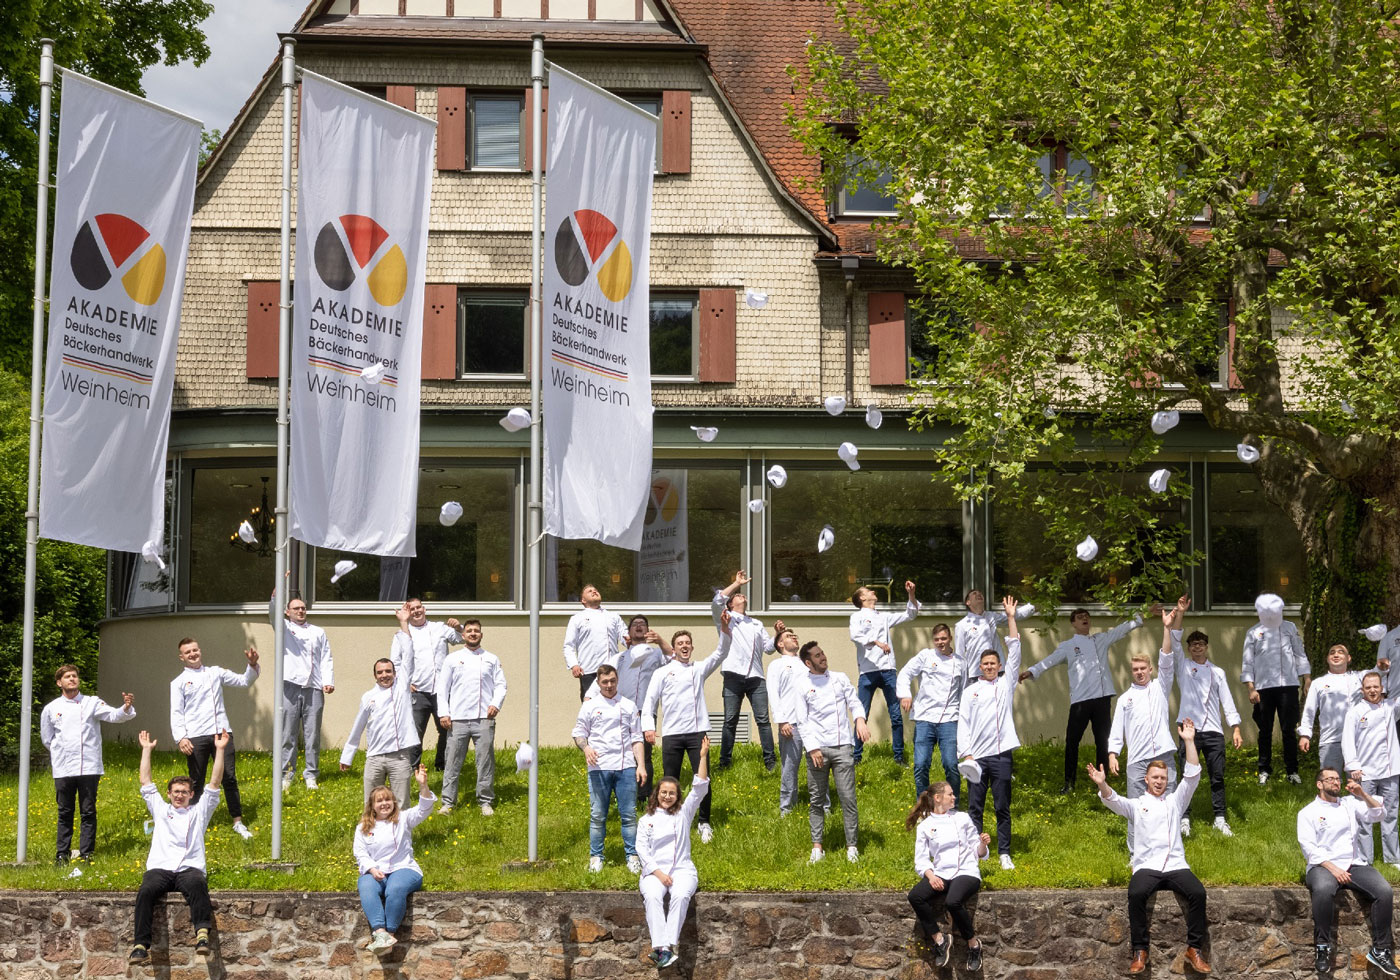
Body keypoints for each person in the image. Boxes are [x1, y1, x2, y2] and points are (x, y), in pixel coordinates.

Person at [1088, 719, 1212, 976]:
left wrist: (1189, 741)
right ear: (1146, 780)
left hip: (1176, 865)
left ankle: (1194, 949)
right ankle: (1140, 951)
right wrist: (1101, 782)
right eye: (1155, 777)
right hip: (1147, 866)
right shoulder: (1137, 804)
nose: (1159, 781)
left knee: (1198, 893)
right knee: (1135, 894)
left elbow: (1192, 775)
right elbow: (1113, 799)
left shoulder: (1175, 801)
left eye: (1163, 778)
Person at [1020, 604, 1155, 793]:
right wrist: (1032, 671)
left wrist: (1144, 615)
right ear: (1073, 623)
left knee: (1103, 741)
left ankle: (1102, 782)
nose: (1085, 619)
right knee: (1072, 742)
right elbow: (1049, 660)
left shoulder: (1101, 639)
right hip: (1080, 702)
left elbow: (1122, 629)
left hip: (1102, 699)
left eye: (1087, 616)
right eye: (1080, 617)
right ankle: (1069, 783)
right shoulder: (1068, 646)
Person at [129, 728, 225, 964]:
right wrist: (147, 751)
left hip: (188, 867)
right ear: (169, 794)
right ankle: (140, 944)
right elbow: (145, 781)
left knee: (197, 885)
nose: (179, 796)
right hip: (161, 868)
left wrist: (220, 750)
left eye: (184, 792)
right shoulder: (161, 810)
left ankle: (202, 935)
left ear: (191, 794)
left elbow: (214, 782)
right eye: (175, 792)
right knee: (146, 891)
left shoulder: (199, 812)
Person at [1298, 767, 1398, 976]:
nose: (1335, 782)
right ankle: (1322, 947)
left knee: (1384, 891)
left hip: (1353, 863)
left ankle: (1380, 950)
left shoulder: (1349, 804)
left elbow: (1379, 813)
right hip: (1322, 865)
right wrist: (1333, 869)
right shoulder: (1308, 812)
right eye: (1330, 779)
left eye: (1337, 779)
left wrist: (1361, 794)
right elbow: (1309, 848)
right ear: (1319, 784)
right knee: (1324, 889)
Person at [40, 664, 135, 865]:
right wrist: (62, 753)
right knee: (65, 811)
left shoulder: (92, 703)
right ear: (59, 683)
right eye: (67, 677)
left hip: (89, 766)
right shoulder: (51, 708)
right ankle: (61, 854)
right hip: (63, 768)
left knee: (88, 811)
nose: (72, 679)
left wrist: (125, 707)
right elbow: (47, 739)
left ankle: (87, 853)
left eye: (74, 676)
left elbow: (114, 716)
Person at [642, 627, 727, 843]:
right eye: (679, 643)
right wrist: (648, 727)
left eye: (687, 642)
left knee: (703, 779)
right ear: (674, 648)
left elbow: (721, 652)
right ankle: (670, 821)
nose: (684, 646)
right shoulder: (662, 672)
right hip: (672, 734)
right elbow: (650, 701)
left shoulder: (698, 669)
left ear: (692, 647)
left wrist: (725, 630)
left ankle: (704, 822)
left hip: (697, 733)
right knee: (670, 781)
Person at [1108, 603, 1182, 852]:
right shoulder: (1125, 699)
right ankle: (1135, 852)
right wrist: (1112, 754)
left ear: (1150, 670)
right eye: (1135, 670)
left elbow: (1168, 660)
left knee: (1168, 804)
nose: (1140, 673)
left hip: (1162, 754)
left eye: (1143, 669)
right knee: (1137, 808)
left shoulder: (1160, 687)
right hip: (1137, 760)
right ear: (1132, 672)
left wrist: (1167, 629)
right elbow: (1117, 730)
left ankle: (1168, 848)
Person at [168, 637, 258, 838]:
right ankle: (192, 820)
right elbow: (176, 712)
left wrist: (252, 664)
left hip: (221, 734)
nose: (193, 654)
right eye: (188, 652)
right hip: (195, 737)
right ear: (181, 657)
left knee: (229, 777)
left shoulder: (215, 672)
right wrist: (181, 738)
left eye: (195, 650)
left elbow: (244, 681)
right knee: (196, 781)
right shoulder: (178, 683)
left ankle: (237, 821)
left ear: (200, 651)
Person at [1167, 605, 1243, 837]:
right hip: (1188, 729)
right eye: (1193, 645)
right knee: (1187, 775)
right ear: (1189, 649)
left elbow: (1227, 700)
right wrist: (1179, 613)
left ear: (1206, 647)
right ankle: (1184, 818)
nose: (1197, 647)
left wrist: (1236, 729)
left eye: (1201, 644)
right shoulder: (1183, 666)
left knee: (1217, 775)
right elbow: (1174, 637)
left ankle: (1220, 818)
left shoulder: (1217, 672)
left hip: (1213, 731)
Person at [958, 596, 1023, 870]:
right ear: (979, 667)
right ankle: (976, 852)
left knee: (1002, 807)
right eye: (985, 664)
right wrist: (967, 754)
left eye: (993, 663)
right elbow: (963, 724)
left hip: (1001, 755)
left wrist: (1010, 617)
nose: (989, 667)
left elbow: (1015, 650)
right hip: (977, 758)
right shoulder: (970, 691)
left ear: (999, 666)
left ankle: (1004, 852)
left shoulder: (1006, 684)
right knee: (975, 808)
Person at [636, 735, 711, 970]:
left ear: (677, 796)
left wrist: (702, 756)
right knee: (653, 896)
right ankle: (661, 948)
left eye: (672, 793)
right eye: (663, 792)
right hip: (653, 872)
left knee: (679, 895)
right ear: (657, 793)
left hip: (682, 870)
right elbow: (642, 850)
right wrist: (658, 874)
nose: (667, 796)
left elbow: (699, 787)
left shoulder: (683, 814)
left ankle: (667, 946)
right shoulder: (645, 820)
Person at [795, 640, 870, 863]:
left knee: (848, 798)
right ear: (808, 663)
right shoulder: (801, 684)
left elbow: (854, 702)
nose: (823, 657)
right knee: (817, 800)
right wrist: (813, 748)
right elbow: (802, 720)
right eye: (817, 656)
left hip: (842, 747)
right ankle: (817, 848)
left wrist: (860, 720)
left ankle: (852, 847)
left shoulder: (840, 678)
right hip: (817, 750)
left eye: (823, 652)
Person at [906, 782, 991, 971]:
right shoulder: (926, 826)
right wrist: (930, 876)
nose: (954, 797)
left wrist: (983, 844)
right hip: (942, 872)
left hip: (966, 871)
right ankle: (940, 940)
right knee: (915, 896)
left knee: (953, 902)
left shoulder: (962, 818)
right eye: (950, 794)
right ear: (938, 798)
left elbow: (978, 851)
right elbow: (921, 859)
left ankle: (973, 944)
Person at [355, 763, 436, 954]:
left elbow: (424, 809)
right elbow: (360, 852)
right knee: (365, 885)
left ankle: (389, 934)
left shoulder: (404, 818)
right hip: (376, 870)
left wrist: (423, 785)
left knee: (396, 888)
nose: (384, 804)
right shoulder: (363, 827)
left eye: (388, 800)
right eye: (379, 801)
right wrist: (372, 869)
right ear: (372, 806)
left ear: (394, 802)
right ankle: (380, 932)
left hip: (404, 868)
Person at [587, 614, 672, 797]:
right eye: (635, 624)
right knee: (623, 751)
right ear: (629, 632)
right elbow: (598, 681)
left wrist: (660, 641)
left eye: (643, 624)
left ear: (648, 631)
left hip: (645, 711)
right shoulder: (619, 658)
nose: (639, 626)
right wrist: (588, 704)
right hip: (621, 711)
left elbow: (674, 658)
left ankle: (643, 795)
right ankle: (622, 792)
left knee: (644, 753)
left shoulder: (657, 653)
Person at [573, 663, 646, 872]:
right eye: (605, 681)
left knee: (629, 815)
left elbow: (636, 738)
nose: (609, 685)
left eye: (612, 681)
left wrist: (640, 765)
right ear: (598, 682)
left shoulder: (629, 705)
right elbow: (578, 733)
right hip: (599, 768)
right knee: (598, 815)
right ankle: (596, 856)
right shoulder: (589, 706)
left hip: (626, 768)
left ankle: (632, 855)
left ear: (617, 681)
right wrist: (586, 748)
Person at [436, 618, 506, 816]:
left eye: (476, 631)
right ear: (463, 635)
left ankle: (485, 801)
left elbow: (501, 685)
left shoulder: (491, 658)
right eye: (469, 631)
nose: (473, 633)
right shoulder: (452, 659)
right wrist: (444, 713)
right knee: (452, 761)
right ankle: (448, 802)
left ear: (481, 635)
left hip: (484, 717)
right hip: (457, 719)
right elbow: (442, 689)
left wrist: (495, 704)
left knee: (484, 761)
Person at [712, 570, 780, 770]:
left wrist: (777, 634)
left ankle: (770, 762)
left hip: (756, 677)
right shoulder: (726, 618)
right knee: (730, 721)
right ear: (731, 604)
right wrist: (736, 583)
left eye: (742, 594)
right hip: (733, 675)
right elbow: (717, 601)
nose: (742, 595)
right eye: (737, 596)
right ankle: (724, 763)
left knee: (763, 720)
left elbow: (768, 649)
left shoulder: (756, 623)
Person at [1242, 592, 1311, 785]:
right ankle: (1264, 769)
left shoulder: (1289, 628)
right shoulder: (1253, 632)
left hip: (1288, 686)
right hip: (1263, 688)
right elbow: (1247, 663)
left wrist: (1306, 678)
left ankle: (1292, 770)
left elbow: (1299, 654)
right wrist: (1251, 688)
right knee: (1265, 730)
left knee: (1288, 729)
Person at [848, 579, 920, 764]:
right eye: (868, 590)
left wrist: (911, 594)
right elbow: (855, 635)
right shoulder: (856, 616)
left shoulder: (883, 616)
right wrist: (877, 642)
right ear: (862, 598)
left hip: (888, 670)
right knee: (861, 714)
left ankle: (898, 757)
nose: (872, 591)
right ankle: (856, 757)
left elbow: (910, 614)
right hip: (867, 671)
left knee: (895, 715)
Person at [390, 598, 463, 771]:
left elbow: (461, 639)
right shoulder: (403, 634)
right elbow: (395, 662)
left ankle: (442, 765)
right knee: (415, 732)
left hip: (441, 690)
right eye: (412, 609)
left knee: (447, 729)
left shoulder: (439, 628)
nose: (416, 611)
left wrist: (459, 626)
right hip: (418, 691)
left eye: (418, 607)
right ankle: (412, 768)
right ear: (407, 612)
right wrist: (404, 682)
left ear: (424, 608)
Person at [898, 623, 966, 800]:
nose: (940, 642)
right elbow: (905, 673)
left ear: (950, 638)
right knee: (920, 764)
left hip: (949, 719)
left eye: (943, 638)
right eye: (936, 639)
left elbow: (963, 692)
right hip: (924, 718)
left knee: (951, 764)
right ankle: (924, 807)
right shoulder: (925, 656)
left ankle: (953, 803)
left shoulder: (960, 662)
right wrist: (905, 695)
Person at [274, 594, 334, 792]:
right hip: (290, 686)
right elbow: (272, 614)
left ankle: (311, 775)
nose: (300, 611)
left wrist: (328, 681)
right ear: (287, 612)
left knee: (312, 734)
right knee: (288, 733)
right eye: (296, 608)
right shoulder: (284, 628)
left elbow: (326, 657)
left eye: (303, 608)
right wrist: (275, 595)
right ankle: (286, 775)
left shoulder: (318, 632)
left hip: (314, 687)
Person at [341, 657, 418, 809]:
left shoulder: (402, 689)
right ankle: (370, 832)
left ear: (395, 674)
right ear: (375, 676)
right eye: (380, 672)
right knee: (370, 804)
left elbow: (408, 657)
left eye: (388, 671)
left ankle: (402, 833)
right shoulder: (368, 697)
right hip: (374, 758)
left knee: (402, 804)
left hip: (399, 757)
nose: (384, 675)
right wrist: (347, 756)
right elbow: (358, 726)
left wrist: (404, 633)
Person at [1300, 643, 1387, 776]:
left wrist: (1381, 667)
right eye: (1332, 652)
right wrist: (1305, 734)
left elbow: (1376, 673)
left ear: (1348, 658)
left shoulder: (1359, 677)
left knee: (1358, 783)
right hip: (1331, 741)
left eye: (1341, 652)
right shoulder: (1318, 683)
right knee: (1330, 782)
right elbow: (1309, 710)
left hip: (1358, 740)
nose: (1336, 654)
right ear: (1327, 659)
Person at [1342, 671, 1400, 867]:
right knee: (1364, 818)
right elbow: (1347, 741)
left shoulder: (1392, 707)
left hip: (1391, 771)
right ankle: (1365, 859)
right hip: (1365, 773)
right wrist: (1353, 766)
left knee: (1390, 815)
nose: (1372, 690)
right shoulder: (1355, 712)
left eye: (1376, 686)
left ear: (1382, 688)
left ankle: (1392, 858)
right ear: (1362, 690)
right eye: (1368, 687)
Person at [766, 625, 807, 815]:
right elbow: (773, 694)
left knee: (819, 766)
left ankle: (823, 805)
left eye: (795, 635)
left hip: (812, 724)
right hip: (791, 723)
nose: (795, 637)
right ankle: (787, 808)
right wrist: (782, 721)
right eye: (790, 636)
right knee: (790, 767)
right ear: (780, 643)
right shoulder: (776, 665)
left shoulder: (807, 663)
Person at [563, 583, 626, 700]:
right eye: (589, 591)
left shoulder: (613, 616)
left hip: (612, 670)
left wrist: (632, 641)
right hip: (589, 670)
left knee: (614, 705)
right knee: (590, 707)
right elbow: (568, 645)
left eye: (596, 590)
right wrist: (574, 665)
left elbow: (625, 637)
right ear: (583, 600)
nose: (594, 592)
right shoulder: (577, 618)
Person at [954, 588, 1034, 679]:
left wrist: (1032, 607)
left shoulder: (991, 616)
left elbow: (1013, 615)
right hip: (975, 673)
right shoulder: (961, 625)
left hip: (997, 671)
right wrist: (959, 677)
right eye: (974, 593)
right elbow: (959, 654)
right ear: (968, 602)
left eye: (980, 592)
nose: (979, 594)